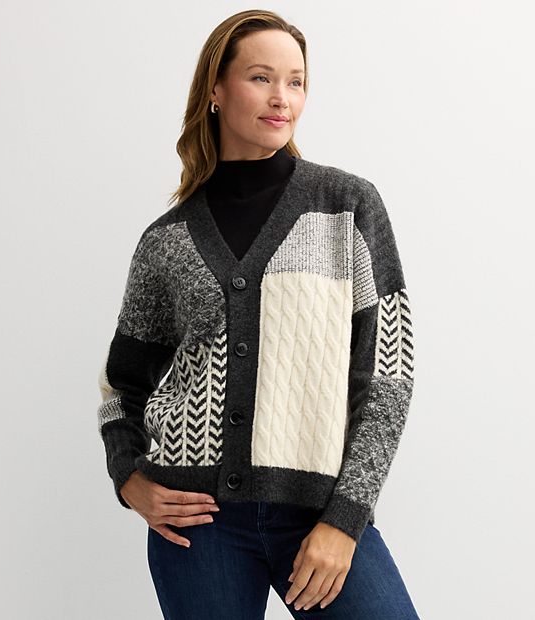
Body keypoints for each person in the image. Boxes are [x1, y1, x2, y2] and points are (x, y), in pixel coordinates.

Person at [96, 9, 420, 619]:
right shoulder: (167, 240)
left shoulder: (346, 207)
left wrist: (345, 520)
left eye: (296, 82)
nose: (282, 98)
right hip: (198, 526)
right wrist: (128, 477)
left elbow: (388, 377)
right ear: (215, 90)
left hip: (319, 513)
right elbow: (123, 384)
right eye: (261, 78)